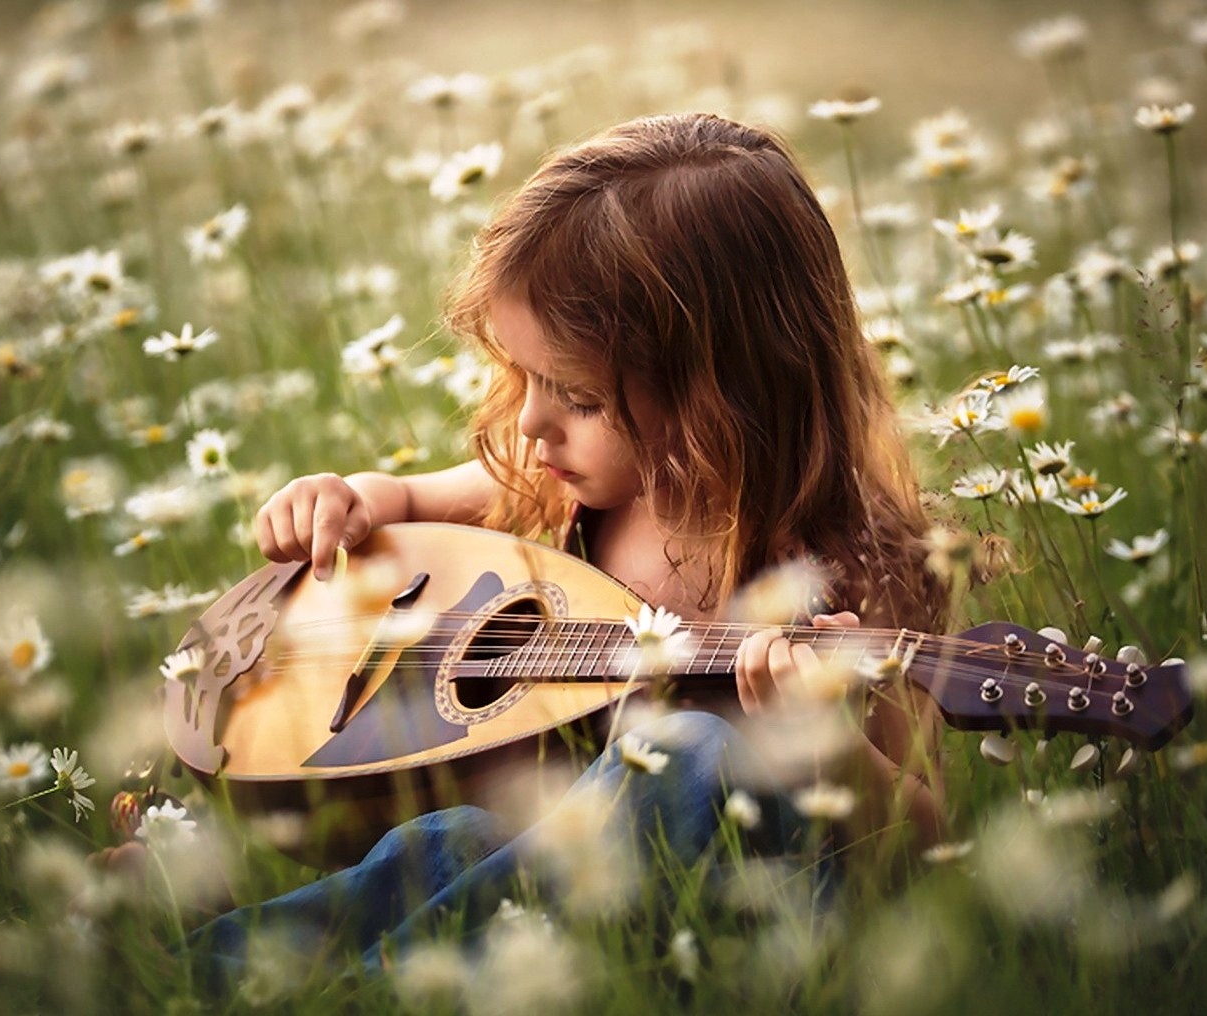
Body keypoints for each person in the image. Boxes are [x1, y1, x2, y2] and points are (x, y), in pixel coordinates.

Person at [141, 112, 953, 984]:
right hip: (546, 893)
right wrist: (341, 500)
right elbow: (405, 502)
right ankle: (218, 963)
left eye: (579, 397)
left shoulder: (855, 563)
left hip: (735, 924)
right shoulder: (559, 491)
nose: (530, 424)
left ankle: (335, 987)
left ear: (725, 392)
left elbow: (925, 842)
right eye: (526, 379)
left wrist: (821, 744)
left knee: (690, 753)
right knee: (453, 839)